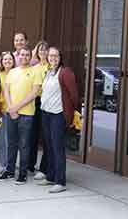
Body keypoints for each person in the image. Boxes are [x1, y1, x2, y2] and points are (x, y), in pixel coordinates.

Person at [37, 46, 79, 193]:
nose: (53, 58)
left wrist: (72, 112)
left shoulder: (65, 72)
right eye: (50, 55)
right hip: (46, 113)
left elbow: (74, 95)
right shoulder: (49, 72)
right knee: (48, 146)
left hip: (58, 115)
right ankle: (50, 176)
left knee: (57, 148)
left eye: (56, 56)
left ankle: (60, 181)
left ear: (60, 57)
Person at [0, 46, 41, 184]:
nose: (24, 57)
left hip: (26, 114)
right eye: (22, 55)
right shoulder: (12, 72)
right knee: (11, 143)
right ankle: (9, 171)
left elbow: (34, 93)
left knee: (24, 144)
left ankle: (22, 174)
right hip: (11, 113)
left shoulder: (35, 72)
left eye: (27, 55)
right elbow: (6, 91)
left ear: (30, 57)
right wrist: (11, 108)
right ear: (18, 56)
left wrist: (17, 107)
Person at [29, 40, 49, 179]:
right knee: (32, 134)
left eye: (45, 50)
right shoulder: (34, 68)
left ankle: (44, 168)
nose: (42, 53)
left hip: (47, 102)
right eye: (40, 50)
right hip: (35, 102)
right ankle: (30, 164)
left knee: (46, 136)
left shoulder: (51, 67)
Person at [0, 51, 15, 174]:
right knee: (1, 139)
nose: (7, 61)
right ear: (2, 62)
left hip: (14, 110)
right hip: (1, 111)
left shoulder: (16, 73)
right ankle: (1, 164)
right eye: (5, 59)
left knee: (11, 140)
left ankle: (10, 164)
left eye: (10, 59)